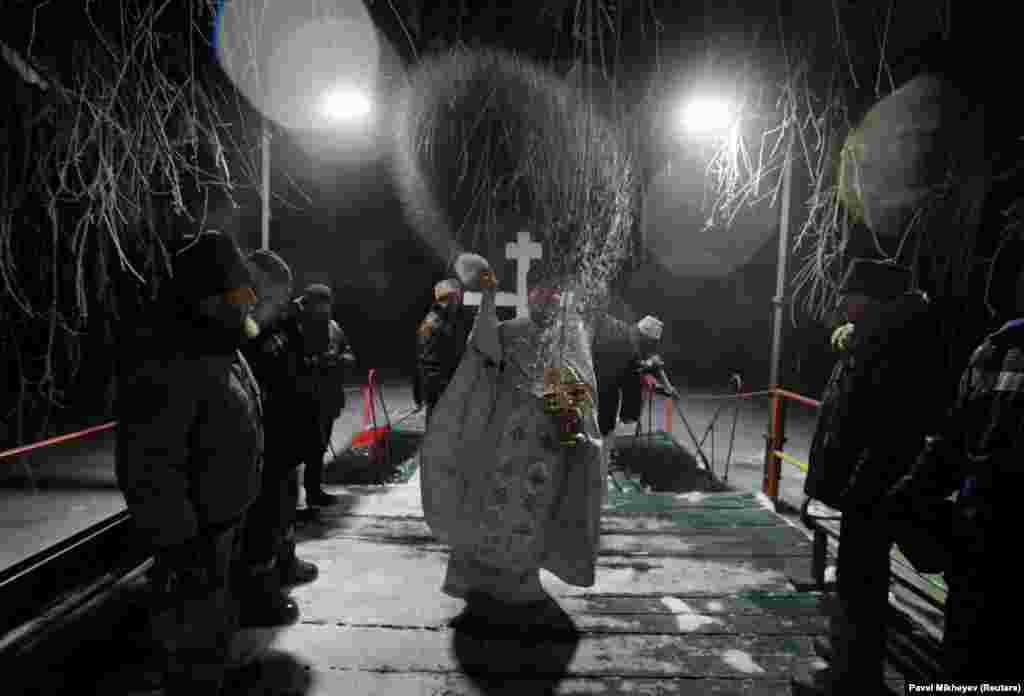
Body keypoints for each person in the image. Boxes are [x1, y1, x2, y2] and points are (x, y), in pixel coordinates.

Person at [420, 253, 664, 637]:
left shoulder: (569, 341)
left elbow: (576, 395)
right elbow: (482, 356)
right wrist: (486, 299)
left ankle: (519, 585)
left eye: (551, 300)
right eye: (539, 298)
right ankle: (483, 585)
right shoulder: (510, 331)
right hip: (499, 442)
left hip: (542, 453)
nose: (544, 306)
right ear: (530, 298)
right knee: (488, 510)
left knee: (528, 517)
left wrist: (574, 429)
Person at [115, 230, 263, 696]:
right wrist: (181, 545)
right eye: (240, 293)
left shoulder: (224, 348)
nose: (250, 303)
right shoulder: (170, 361)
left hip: (220, 525)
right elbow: (152, 465)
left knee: (213, 634)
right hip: (193, 540)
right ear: (206, 299)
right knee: (192, 642)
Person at [793, 259, 946, 696]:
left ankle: (852, 675)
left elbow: (879, 424)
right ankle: (848, 661)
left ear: (873, 299)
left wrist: (855, 485)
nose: (843, 301)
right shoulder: (877, 336)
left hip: (871, 491)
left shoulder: (890, 340)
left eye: (851, 294)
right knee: (859, 578)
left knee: (862, 580)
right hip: (864, 487)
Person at [884, 248, 1024, 684]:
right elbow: (950, 442)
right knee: (968, 660)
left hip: (982, 536)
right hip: (980, 540)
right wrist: (905, 503)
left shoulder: (995, 348)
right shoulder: (995, 350)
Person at [235, 249, 318, 628]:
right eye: (274, 296)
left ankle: (284, 563)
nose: (282, 304)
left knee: (285, 506)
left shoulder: (282, 325)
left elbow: (296, 368)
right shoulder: (243, 329)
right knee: (263, 519)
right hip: (263, 443)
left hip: (287, 438)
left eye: (284, 297)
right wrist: (260, 319)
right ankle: (259, 592)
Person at [291, 283, 356, 509]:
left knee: (318, 447)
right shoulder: (295, 329)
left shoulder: (333, 328)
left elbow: (348, 353)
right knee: (300, 448)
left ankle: (314, 491)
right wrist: (317, 363)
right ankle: (290, 495)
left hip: (327, 399)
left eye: (327, 304)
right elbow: (292, 364)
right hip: (303, 399)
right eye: (320, 305)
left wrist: (340, 361)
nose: (324, 309)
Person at [417, 278, 468, 424]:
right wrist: (446, 386)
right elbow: (428, 361)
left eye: (459, 297)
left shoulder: (448, 319)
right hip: (439, 386)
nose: (458, 301)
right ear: (447, 298)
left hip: (445, 384)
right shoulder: (434, 323)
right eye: (456, 297)